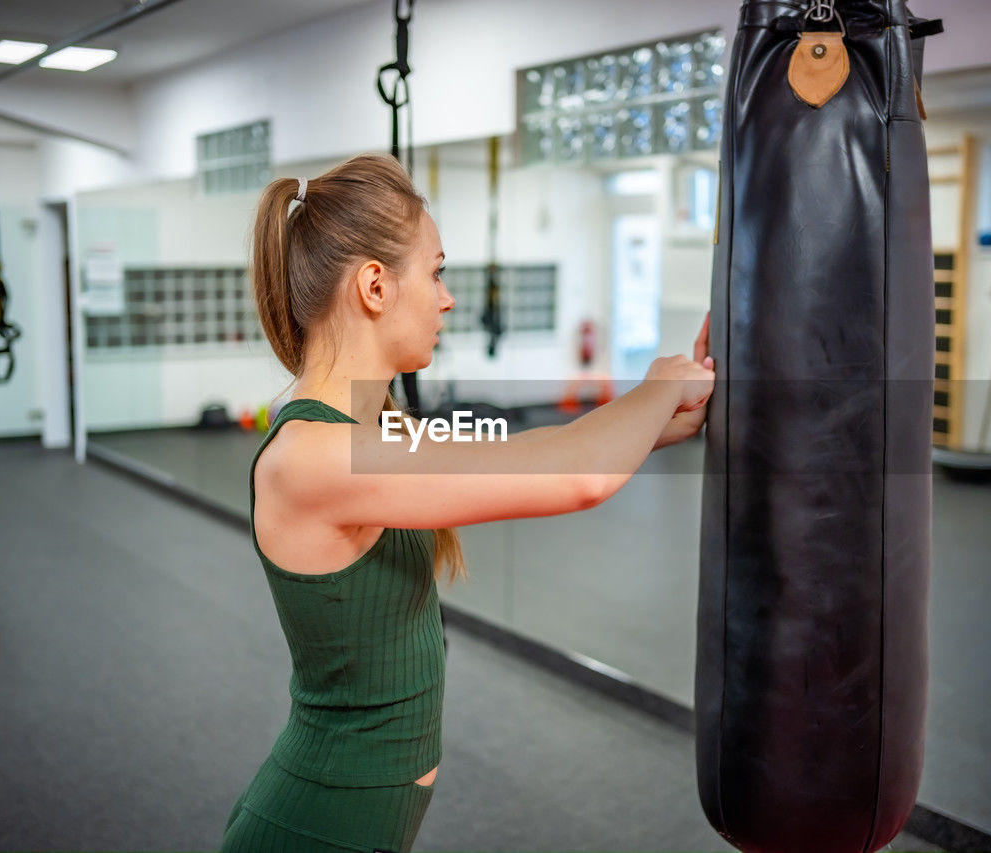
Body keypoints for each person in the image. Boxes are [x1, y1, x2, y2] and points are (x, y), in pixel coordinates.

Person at [220, 152, 714, 853]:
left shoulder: (372, 428)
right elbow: (572, 476)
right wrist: (660, 383)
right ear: (373, 285)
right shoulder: (319, 455)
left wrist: (676, 414)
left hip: (357, 817)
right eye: (437, 271)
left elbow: (535, 448)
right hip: (318, 824)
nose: (447, 297)